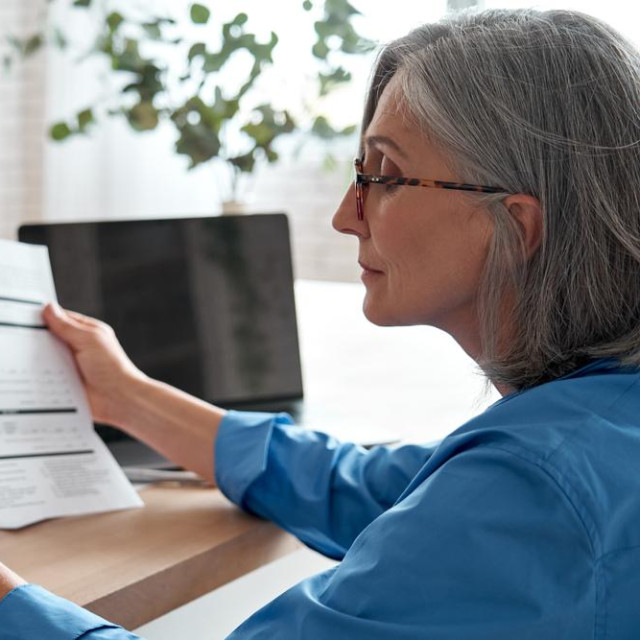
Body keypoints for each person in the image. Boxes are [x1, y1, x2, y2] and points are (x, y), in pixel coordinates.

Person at [2, 6, 640, 638]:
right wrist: (127, 396)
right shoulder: (590, 425)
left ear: (515, 224)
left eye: (386, 176)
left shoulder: (532, 490)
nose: (345, 215)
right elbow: (362, 487)